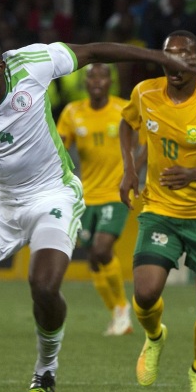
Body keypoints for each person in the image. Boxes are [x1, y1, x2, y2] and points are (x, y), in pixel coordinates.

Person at [0, 29, 196, 392]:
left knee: (44, 285)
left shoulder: (32, 63)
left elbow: (94, 49)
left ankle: (45, 370)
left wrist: (159, 57)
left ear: (1, 65)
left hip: (53, 196)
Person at [119, 30, 196, 392]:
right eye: (168, 56)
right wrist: (128, 170)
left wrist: (191, 175)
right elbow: (127, 124)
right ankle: (155, 338)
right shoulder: (145, 93)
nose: (174, 63)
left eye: (183, 56)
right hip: (160, 209)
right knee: (144, 293)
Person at [57, 63, 140, 336]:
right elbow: (58, 149)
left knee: (103, 249)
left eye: (102, 76)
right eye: (91, 76)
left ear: (110, 82)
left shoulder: (123, 109)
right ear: (85, 82)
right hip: (86, 196)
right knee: (93, 258)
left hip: (115, 194)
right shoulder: (72, 112)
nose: (96, 81)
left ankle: (122, 311)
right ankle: (117, 311)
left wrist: (133, 170)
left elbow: (148, 140)